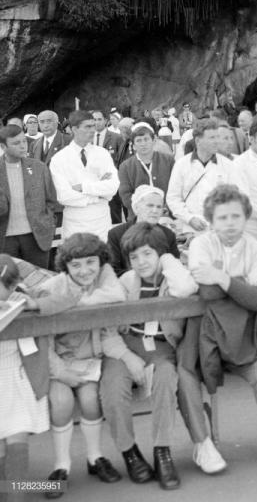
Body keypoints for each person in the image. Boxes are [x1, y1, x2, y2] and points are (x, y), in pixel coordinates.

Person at [186, 185, 257, 468]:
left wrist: (221, 277)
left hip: (246, 338)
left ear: (246, 217)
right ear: (211, 220)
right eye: (222, 218)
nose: (230, 223)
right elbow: (206, 293)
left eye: (236, 216)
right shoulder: (201, 245)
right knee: (185, 376)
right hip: (206, 337)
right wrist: (240, 285)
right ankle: (203, 445)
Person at [26, 234, 125, 498]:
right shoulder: (52, 288)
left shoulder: (103, 279)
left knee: (92, 400)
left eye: (91, 262)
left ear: (101, 262)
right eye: (76, 265)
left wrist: (72, 302)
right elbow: (43, 341)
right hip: (57, 363)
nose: (84, 270)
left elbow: (118, 295)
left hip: (90, 359)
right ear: (65, 266)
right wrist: (61, 372)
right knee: (61, 402)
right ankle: (62, 465)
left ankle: (95, 457)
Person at [100, 222, 198, 490]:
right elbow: (108, 329)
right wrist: (126, 357)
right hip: (126, 346)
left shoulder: (173, 278)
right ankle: (129, 452)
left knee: (166, 378)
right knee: (112, 388)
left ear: (160, 254)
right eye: (134, 257)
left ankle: (162, 450)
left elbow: (186, 289)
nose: (141, 262)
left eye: (147, 254)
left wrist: (167, 260)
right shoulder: (125, 282)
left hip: (161, 346)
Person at [0, 255, 50, 502]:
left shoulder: (22, 298)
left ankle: (16, 495)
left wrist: (33, 302)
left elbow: (58, 292)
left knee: (16, 434)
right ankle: (8, 488)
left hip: (16, 375)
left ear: (11, 287)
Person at [165, 118, 246, 236]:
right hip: (191, 230)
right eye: (212, 138)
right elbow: (173, 198)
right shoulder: (181, 165)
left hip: (222, 230)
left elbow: (240, 195)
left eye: (217, 137)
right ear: (198, 141)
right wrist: (189, 218)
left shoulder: (228, 166)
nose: (217, 141)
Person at [49, 111, 119, 241]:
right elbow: (63, 196)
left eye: (93, 126)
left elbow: (113, 187)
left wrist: (83, 187)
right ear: (74, 129)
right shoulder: (59, 159)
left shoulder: (102, 154)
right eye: (87, 126)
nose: (93, 130)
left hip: (101, 224)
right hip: (75, 225)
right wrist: (99, 193)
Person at [0, 126, 58, 268]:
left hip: (36, 237)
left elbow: (51, 200)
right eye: (16, 143)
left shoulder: (39, 168)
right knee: (10, 280)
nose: (22, 146)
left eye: (24, 141)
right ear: (3, 147)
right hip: (5, 240)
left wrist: (47, 223)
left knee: (39, 279)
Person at [106, 186, 180, 275]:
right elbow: (112, 270)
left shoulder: (168, 235)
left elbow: (175, 268)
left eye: (159, 207)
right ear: (136, 207)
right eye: (150, 205)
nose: (155, 211)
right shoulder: (116, 234)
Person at [117, 123, 175, 219]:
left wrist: (163, 208)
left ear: (154, 141)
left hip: (166, 215)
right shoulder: (125, 166)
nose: (143, 144)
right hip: (138, 218)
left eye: (146, 139)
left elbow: (175, 189)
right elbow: (125, 195)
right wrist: (145, 210)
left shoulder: (168, 161)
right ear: (133, 145)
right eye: (138, 140)